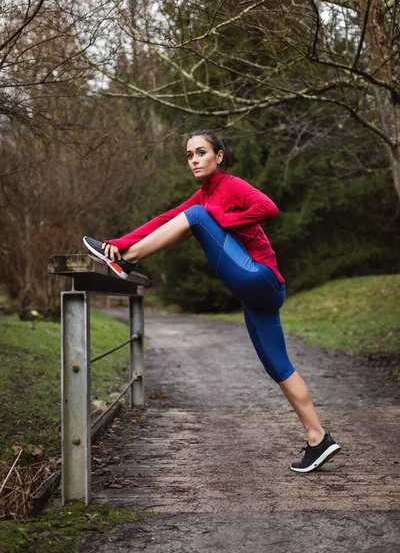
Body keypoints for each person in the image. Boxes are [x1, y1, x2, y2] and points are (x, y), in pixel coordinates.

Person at [83, 128, 341, 472]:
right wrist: (119, 240)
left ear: (219, 156)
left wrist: (225, 219)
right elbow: (165, 220)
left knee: (200, 218)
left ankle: (127, 262)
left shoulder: (230, 186)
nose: (194, 160)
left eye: (201, 152)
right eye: (189, 155)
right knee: (277, 366)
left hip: (260, 276)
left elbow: (269, 207)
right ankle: (318, 438)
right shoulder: (201, 196)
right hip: (259, 296)